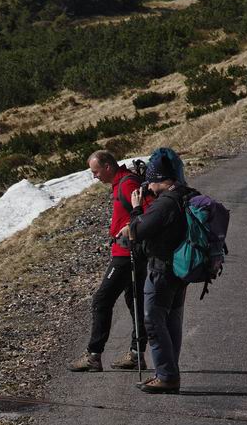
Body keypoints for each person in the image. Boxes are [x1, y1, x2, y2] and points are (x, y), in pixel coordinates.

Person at [69, 149, 151, 373]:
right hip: (132, 252)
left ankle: (94, 355)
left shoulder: (126, 183)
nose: (94, 176)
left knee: (102, 300)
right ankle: (136, 354)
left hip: (127, 254)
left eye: (95, 172)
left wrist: (130, 227)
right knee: (134, 301)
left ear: (107, 166)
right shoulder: (122, 183)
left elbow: (147, 210)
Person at [119, 148, 192, 394]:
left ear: (160, 178)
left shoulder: (165, 203)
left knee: (153, 320)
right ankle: (169, 372)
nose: (148, 186)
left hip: (162, 269)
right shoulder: (186, 195)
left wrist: (136, 207)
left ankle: (167, 376)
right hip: (181, 269)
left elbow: (138, 230)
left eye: (150, 180)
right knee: (172, 321)